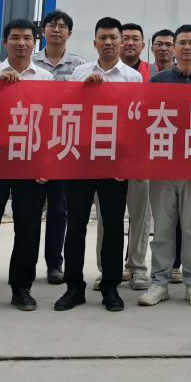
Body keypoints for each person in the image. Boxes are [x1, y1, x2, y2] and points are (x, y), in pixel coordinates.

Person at [55, 18, 142, 313]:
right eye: (102, 38)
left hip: (114, 161)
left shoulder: (132, 77)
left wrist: (127, 163)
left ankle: (110, 287)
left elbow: (135, 120)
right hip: (81, 159)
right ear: (94, 43)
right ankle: (74, 287)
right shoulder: (79, 73)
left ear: (121, 42)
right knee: (76, 224)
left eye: (113, 38)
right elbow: (67, 111)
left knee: (114, 226)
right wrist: (84, 90)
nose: (108, 42)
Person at [0, 20, 52, 315]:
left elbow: (49, 121)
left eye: (27, 38)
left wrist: (46, 163)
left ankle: (21, 287)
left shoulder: (45, 78)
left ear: (35, 42)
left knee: (28, 227)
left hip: (29, 159)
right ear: (4, 42)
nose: (21, 43)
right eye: (15, 37)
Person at [141, 24, 191, 308]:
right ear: (174, 48)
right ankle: (159, 282)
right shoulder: (158, 81)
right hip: (163, 167)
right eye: (182, 43)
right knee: (163, 228)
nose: (187, 47)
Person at [98, 21, 151, 290]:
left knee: (140, 214)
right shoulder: (86, 73)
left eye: (134, 38)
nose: (128, 43)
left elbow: (140, 118)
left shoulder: (141, 76)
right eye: (125, 38)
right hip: (103, 155)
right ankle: (106, 269)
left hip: (136, 155)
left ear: (142, 44)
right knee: (107, 217)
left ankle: (137, 267)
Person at [34, 9, 86, 284]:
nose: (56, 30)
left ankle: (55, 264)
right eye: (51, 25)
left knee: (58, 209)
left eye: (62, 26)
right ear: (43, 31)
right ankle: (26, 264)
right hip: (33, 142)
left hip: (64, 143)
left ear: (70, 33)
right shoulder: (31, 62)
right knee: (30, 210)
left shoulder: (79, 66)